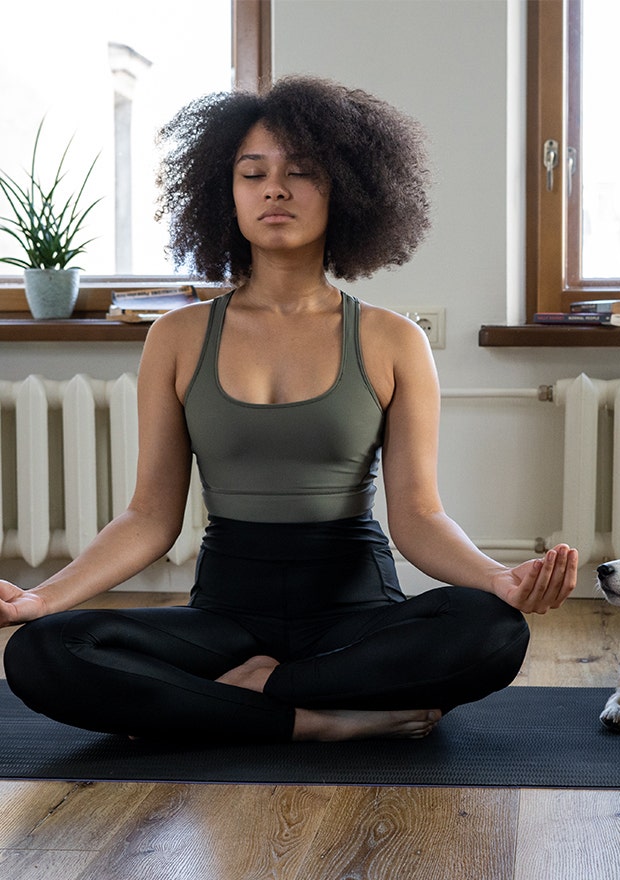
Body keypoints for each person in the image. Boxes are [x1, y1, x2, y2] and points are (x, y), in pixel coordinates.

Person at [1, 77, 577, 743]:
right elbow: (149, 518)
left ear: (347, 193)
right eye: (253, 174)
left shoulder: (393, 340)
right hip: (225, 618)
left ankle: (243, 699)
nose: (275, 188)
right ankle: (313, 719)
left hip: (356, 613)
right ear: (227, 194)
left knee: (493, 633)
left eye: (301, 172)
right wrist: (46, 599)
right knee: (41, 653)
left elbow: (418, 518)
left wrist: (500, 581)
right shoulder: (177, 338)